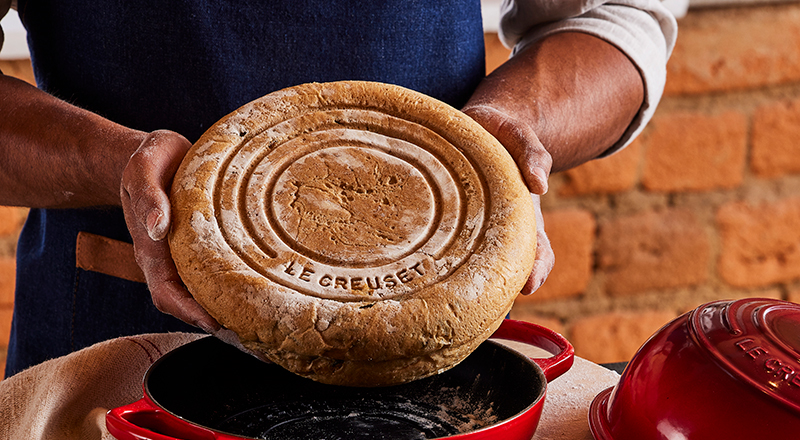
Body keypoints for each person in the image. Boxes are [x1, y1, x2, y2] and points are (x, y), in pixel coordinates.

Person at [0, 0, 676, 377]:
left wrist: (518, 122)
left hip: (427, 370)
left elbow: (617, 15)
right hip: (106, 371)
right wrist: (117, 161)